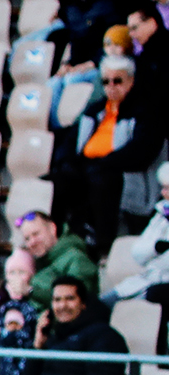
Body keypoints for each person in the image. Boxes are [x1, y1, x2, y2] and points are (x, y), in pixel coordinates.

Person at [56, 56, 161, 255]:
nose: (111, 86)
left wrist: (105, 163)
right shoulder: (95, 109)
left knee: (100, 178)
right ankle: (61, 240)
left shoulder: (143, 111)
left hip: (118, 170)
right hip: (88, 167)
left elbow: (141, 150)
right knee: (58, 179)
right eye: (106, 81)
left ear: (131, 81)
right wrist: (67, 161)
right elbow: (71, 140)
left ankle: (103, 246)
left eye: (117, 80)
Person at [103, 162, 169, 307]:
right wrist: (155, 247)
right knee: (98, 304)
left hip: (161, 287)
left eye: (167, 188)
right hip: (145, 279)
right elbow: (138, 254)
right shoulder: (160, 215)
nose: (163, 193)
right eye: (163, 188)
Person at [19, 210, 100, 307]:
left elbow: (75, 301)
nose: (32, 242)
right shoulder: (36, 264)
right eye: (27, 238)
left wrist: (31, 291)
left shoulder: (75, 258)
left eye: (36, 234)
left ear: (52, 229)